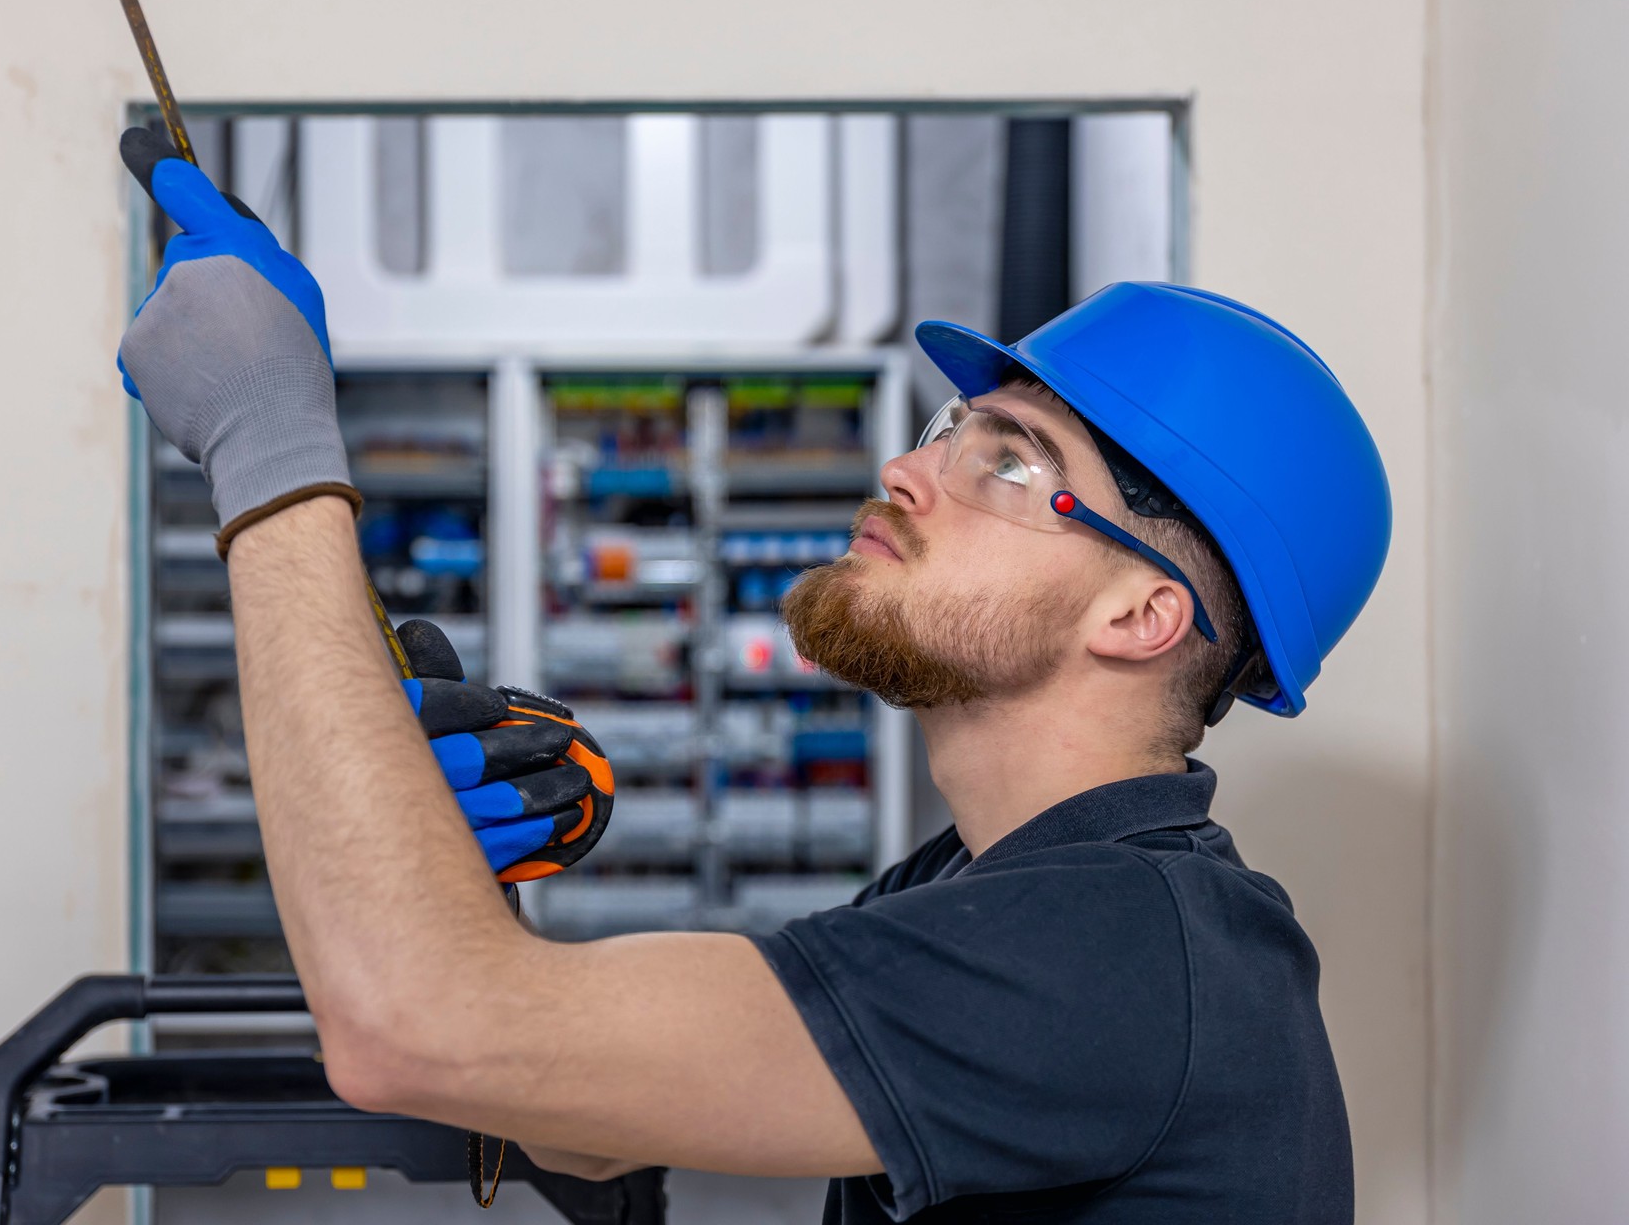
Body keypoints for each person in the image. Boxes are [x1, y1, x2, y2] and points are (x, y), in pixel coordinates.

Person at [113, 128, 1391, 1224]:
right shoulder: (976, 889)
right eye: (957, 426)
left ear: (1143, 611)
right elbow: (585, 1122)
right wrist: (458, 876)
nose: (907, 467)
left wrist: (267, 437)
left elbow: (415, 1028)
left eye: (1012, 459)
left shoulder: (1120, 947)